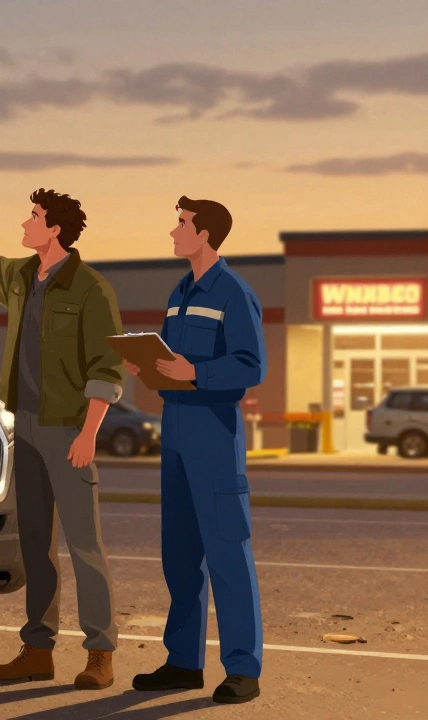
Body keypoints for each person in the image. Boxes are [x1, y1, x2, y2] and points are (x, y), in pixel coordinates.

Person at [0, 186, 124, 690]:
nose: (26, 222)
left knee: (85, 546)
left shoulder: (90, 288)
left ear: (55, 229)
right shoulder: (23, 278)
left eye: (34, 216)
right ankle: (37, 649)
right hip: (23, 425)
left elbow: (107, 367)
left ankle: (100, 653)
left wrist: (89, 432)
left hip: (68, 431)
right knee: (35, 546)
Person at [127, 196, 266, 704]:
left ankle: (243, 669)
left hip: (214, 432)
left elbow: (252, 366)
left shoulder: (233, 292)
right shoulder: (179, 293)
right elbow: (168, 356)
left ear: (205, 234)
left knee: (228, 551)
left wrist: (197, 373)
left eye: (182, 223)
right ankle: (184, 661)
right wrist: (144, 364)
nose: (173, 231)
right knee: (180, 555)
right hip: (177, 430)